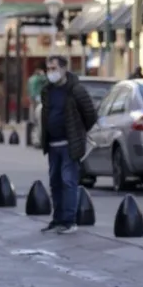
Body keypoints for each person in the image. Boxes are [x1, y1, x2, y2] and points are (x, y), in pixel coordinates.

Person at [39, 55, 97, 235]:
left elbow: (90, 115)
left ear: (64, 69)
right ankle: (57, 219)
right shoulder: (47, 90)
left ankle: (69, 221)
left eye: (54, 68)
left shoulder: (76, 89)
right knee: (55, 182)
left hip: (69, 145)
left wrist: (78, 134)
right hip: (53, 144)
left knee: (68, 181)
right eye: (48, 69)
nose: (51, 72)